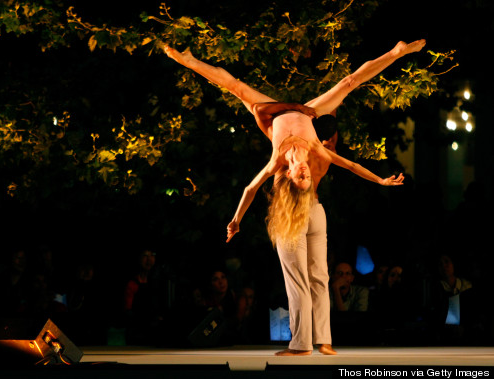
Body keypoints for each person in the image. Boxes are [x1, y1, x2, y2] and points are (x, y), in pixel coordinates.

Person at [164, 39, 425, 355]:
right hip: (307, 131)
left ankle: (189, 59)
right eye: (307, 176)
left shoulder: (277, 160)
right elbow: (352, 164)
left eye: (301, 175)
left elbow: (250, 189)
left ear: (289, 175)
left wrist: (235, 221)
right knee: (348, 83)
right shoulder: (316, 147)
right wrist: (381, 180)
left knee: (235, 86)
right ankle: (313, 343)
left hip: (275, 118)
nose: (305, 172)